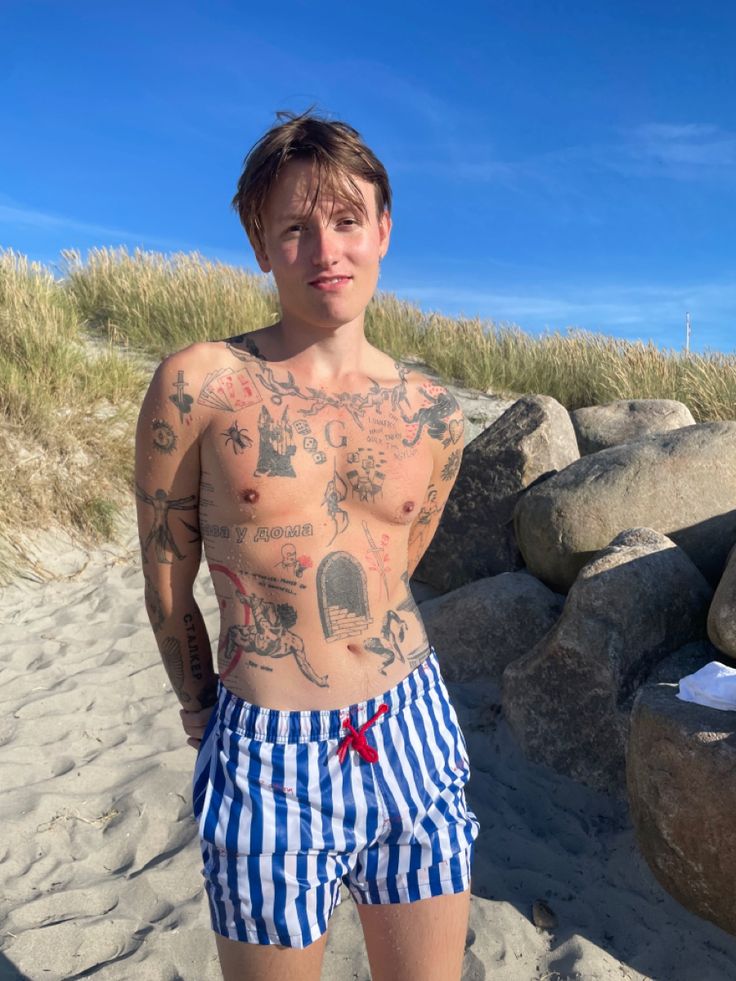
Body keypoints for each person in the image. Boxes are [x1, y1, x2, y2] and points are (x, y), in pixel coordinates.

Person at [135, 106, 479, 981]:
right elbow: (166, 580)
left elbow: (400, 564)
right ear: (260, 243)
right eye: (293, 226)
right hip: (267, 747)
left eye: (346, 220)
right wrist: (199, 711)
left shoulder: (436, 412)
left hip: (413, 729)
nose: (325, 248)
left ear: (384, 231)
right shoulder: (201, 384)